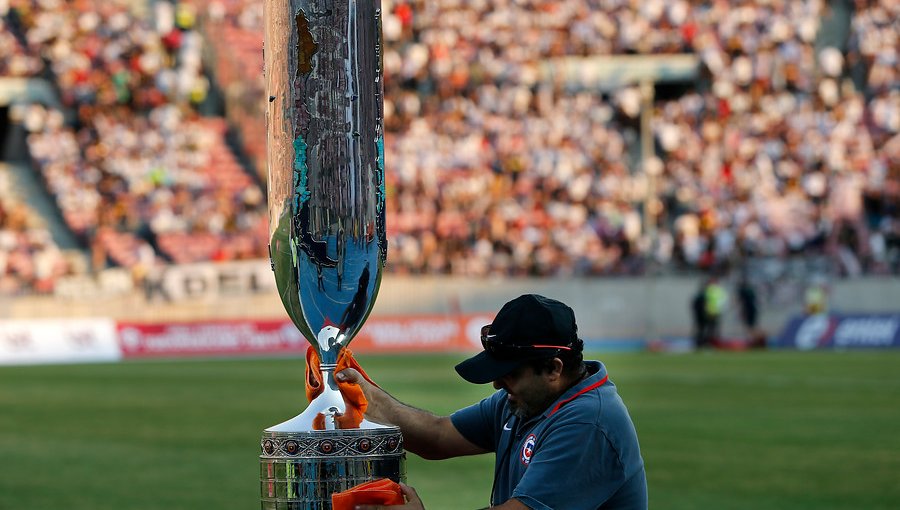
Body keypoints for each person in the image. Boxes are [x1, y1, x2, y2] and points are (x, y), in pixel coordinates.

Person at [338, 294, 647, 509]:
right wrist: (362, 393)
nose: (497, 383)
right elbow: (437, 436)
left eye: (509, 373)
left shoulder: (587, 421)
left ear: (554, 368)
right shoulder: (522, 399)